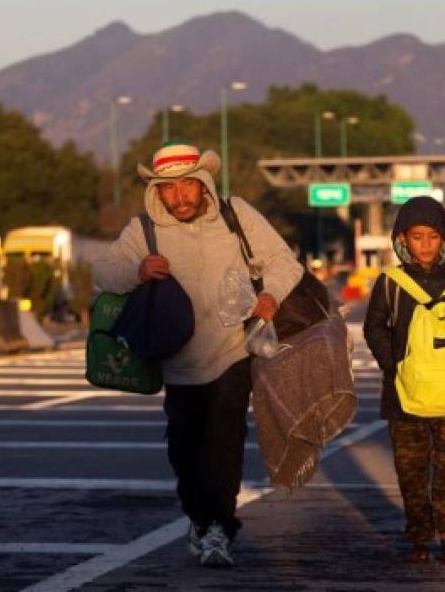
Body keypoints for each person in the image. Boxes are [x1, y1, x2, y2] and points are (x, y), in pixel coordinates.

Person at [93, 139, 303, 568]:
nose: (179, 196)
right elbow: (102, 272)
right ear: (156, 191)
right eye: (168, 189)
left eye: (187, 185)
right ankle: (199, 517)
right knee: (186, 450)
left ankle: (218, 529)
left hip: (232, 351)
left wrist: (270, 296)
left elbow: (284, 260)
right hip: (177, 361)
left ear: (203, 183)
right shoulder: (143, 230)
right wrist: (137, 271)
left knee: (224, 442)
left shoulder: (235, 215)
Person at [363, 196, 445, 564]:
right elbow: (374, 329)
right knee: (411, 469)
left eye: (432, 237)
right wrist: (396, 367)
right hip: (404, 395)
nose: (424, 245)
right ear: (402, 239)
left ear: (444, 238)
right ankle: (419, 536)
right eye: (416, 237)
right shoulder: (390, 284)